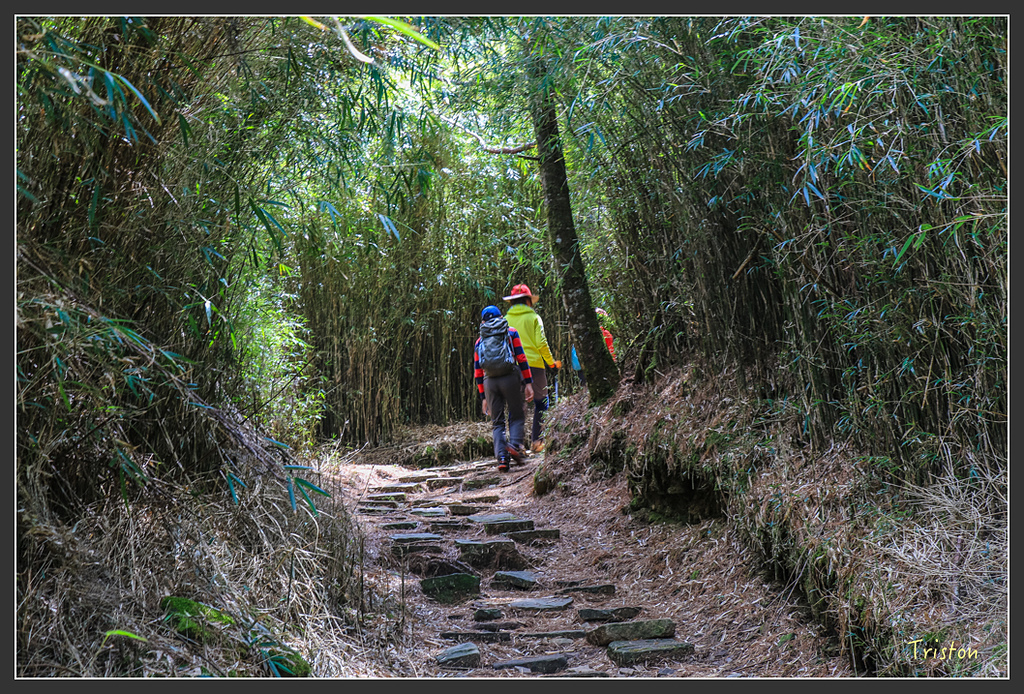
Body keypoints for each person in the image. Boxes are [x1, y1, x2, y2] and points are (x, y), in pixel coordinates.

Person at [474, 305, 534, 471]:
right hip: (510, 378)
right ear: (501, 317)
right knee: (517, 414)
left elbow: (478, 370)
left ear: (483, 322)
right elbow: (521, 357)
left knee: (497, 422)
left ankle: (502, 458)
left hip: (489, 382)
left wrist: (483, 397)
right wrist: (528, 382)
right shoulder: (511, 332)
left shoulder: (480, 340)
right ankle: (514, 445)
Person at [503, 284, 560, 454]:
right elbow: (541, 343)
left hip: (512, 366)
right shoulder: (534, 317)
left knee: (517, 405)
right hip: (534, 365)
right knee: (541, 402)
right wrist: (551, 363)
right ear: (528, 301)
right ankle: (537, 442)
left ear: (512, 302)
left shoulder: (504, 320)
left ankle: (517, 445)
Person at [571, 307, 615, 387]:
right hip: (596, 367)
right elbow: (610, 350)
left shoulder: (582, 332)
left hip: (582, 366)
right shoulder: (603, 333)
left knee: (586, 386)